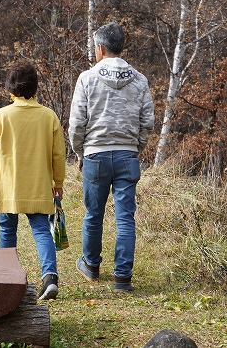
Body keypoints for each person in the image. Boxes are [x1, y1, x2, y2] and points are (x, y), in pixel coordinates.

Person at [68, 22, 155, 292]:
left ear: (101, 48)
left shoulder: (87, 78)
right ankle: (122, 278)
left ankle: (92, 266)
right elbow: (148, 122)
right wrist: (136, 147)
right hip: (128, 155)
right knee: (125, 218)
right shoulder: (139, 80)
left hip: (95, 154)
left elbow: (77, 123)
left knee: (93, 214)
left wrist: (80, 151)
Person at [0, 60, 66, 300]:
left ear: (10, 90)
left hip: (9, 187)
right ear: (35, 88)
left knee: (7, 229)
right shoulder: (49, 117)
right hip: (38, 186)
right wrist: (58, 183)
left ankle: (6, 279)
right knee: (42, 231)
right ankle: (50, 277)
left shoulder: (1, 116)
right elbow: (58, 154)